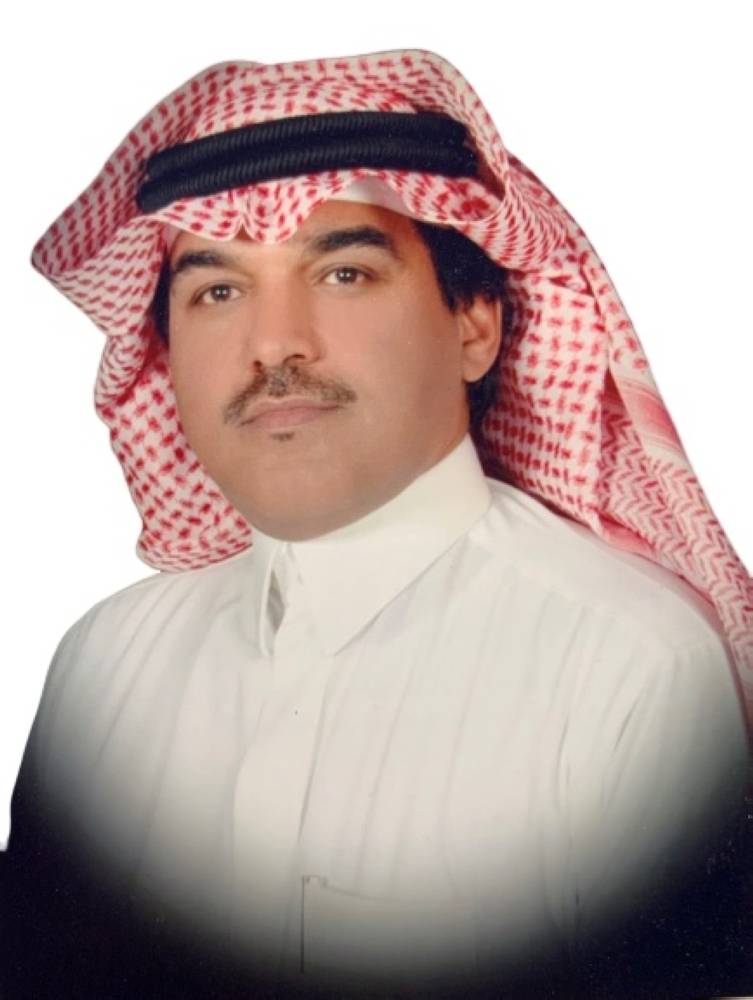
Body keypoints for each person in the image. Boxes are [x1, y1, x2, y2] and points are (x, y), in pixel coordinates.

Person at [3, 49, 752, 999]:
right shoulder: (103, 664)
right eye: (218, 290)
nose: (273, 342)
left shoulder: (629, 669)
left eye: (344, 273)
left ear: (473, 326)